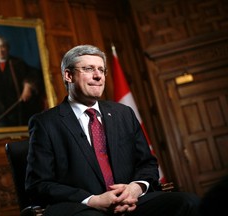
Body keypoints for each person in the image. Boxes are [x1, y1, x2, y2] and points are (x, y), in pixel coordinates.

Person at [25, 45, 200, 216]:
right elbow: (39, 184)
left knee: (189, 203)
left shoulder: (123, 113)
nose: (98, 76)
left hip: (131, 200)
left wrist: (135, 188)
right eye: (89, 69)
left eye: (102, 70)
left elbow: (147, 163)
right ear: (69, 75)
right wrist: (93, 200)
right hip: (84, 206)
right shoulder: (45, 123)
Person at [0, 34, 46, 128]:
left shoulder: (18, 63)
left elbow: (35, 74)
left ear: (7, 48)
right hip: (2, 114)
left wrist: (28, 86)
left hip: (21, 111)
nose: (0, 50)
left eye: (2, 46)